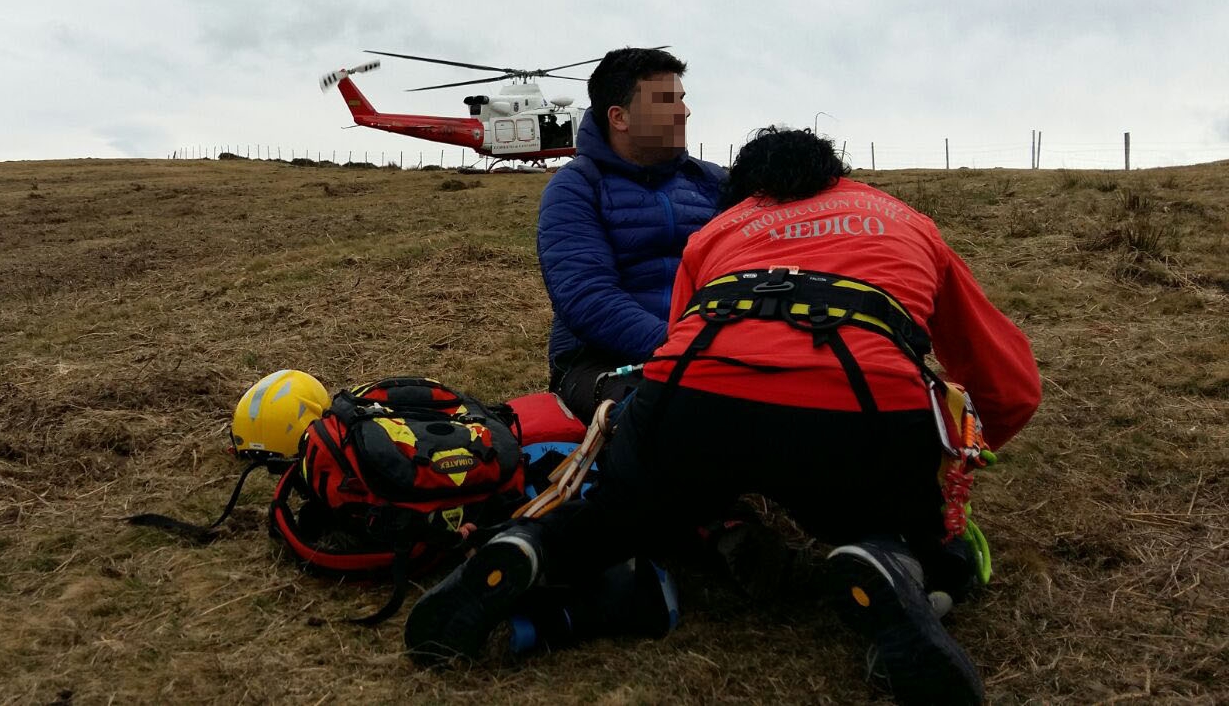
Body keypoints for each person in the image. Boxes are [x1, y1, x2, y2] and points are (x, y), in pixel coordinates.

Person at [408, 127, 1041, 706]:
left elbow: (676, 345)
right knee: (928, 539)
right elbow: (1005, 382)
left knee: (616, 516)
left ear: (744, 191)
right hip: (860, 405)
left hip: (697, 395)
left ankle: (531, 545)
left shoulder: (718, 231)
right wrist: (955, 466)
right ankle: (892, 559)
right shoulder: (904, 220)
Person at [537, 47, 727, 419]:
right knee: (678, 416)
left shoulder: (712, 182)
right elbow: (587, 297)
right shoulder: (575, 188)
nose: (684, 112)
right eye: (665, 101)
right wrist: (682, 346)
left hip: (713, 349)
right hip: (601, 361)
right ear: (619, 117)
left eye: (682, 100)